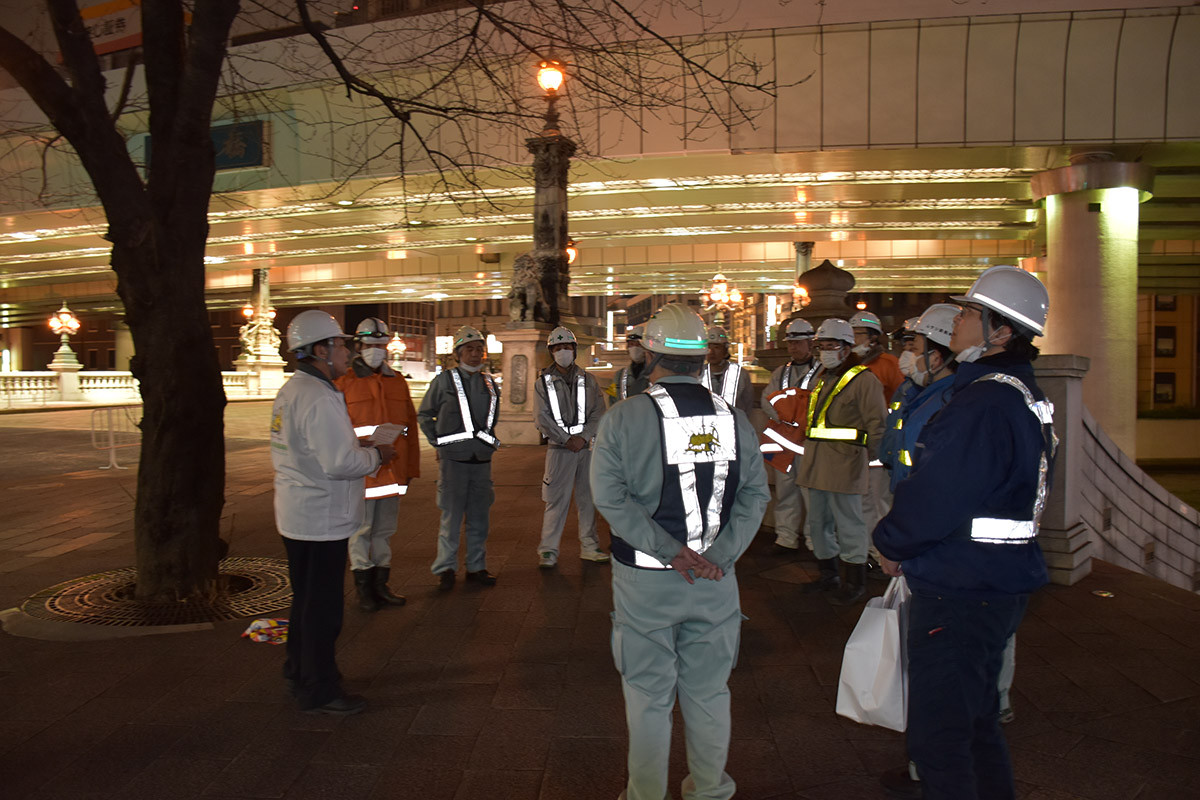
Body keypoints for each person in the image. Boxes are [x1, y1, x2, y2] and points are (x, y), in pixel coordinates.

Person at [874, 265, 1056, 800]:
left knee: (940, 739)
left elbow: (939, 496)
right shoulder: (1017, 393)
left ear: (1001, 332)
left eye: (971, 312)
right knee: (976, 725)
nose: (957, 319)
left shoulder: (983, 403)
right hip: (994, 581)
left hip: (960, 587)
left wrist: (890, 544)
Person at [592, 303, 769, 800]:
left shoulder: (624, 418)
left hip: (645, 583)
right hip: (715, 582)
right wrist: (721, 555)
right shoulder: (735, 420)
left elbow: (610, 498)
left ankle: (646, 795)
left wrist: (668, 551)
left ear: (651, 354)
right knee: (710, 693)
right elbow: (756, 495)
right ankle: (710, 790)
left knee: (648, 699)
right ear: (703, 358)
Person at [271, 310, 395, 715]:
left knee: (304, 602)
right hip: (320, 518)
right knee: (322, 611)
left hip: (298, 514)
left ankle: (299, 670)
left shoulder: (294, 390)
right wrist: (378, 453)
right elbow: (339, 462)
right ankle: (320, 688)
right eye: (340, 344)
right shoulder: (319, 397)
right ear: (320, 350)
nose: (346, 351)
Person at [795, 318, 887, 605]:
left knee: (849, 524)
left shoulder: (864, 380)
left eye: (831, 345)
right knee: (817, 523)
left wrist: (873, 457)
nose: (825, 351)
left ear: (847, 348)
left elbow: (878, 423)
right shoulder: (823, 376)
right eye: (821, 346)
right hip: (817, 462)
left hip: (845, 464)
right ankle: (828, 575)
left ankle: (854, 581)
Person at [335, 317, 421, 612]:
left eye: (381, 345)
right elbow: (336, 430)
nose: (376, 350)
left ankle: (381, 585)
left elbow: (409, 426)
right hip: (361, 471)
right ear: (358, 346)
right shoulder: (344, 383)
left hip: (392, 470)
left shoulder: (397, 381)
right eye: (370, 344)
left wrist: (410, 470)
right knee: (360, 531)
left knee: (384, 531)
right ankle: (363, 590)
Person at [418, 325, 500, 590]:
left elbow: (491, 420)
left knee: (480, 518)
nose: (475, 354)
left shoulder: (490, 383)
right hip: (453, 460)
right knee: (451, 518)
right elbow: (424, 415)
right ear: (458, 353)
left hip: (481, 460)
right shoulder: (443, 381)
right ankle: (446, 569)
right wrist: (438, 443)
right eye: (469, 349)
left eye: (479, 349)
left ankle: (477, 567)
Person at [533, 326, 610, 567]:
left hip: (585, 449)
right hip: (559, 451)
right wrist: (567, 439)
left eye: (567, 347)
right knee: (556, 500)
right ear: (551, 352)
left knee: (587, 500)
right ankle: (548, 550)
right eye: (558, 348)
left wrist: (583, 437)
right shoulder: (542, 383)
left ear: (574, 350)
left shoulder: (589, 380)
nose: (563, 351)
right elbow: (541, 417)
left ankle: (589, 546)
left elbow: (599, 412)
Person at [760, 317, 822, 551]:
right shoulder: (780, 372)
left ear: (810, 343)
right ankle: (785, 538)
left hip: (807, 442)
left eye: (798, 343)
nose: (794, 347)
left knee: (811, 494)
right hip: (785, 442)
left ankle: (814, 541)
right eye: (791, 343)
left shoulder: (821, 372)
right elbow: (768, 399)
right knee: (786, 492)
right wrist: (785, 417)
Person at [699, 325, 754, 415]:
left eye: (717, 347)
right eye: (709, 348)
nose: (711, 352)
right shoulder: (699, 374)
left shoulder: (740, 375)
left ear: (725, 350)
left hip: (734, 425)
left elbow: (747, 404)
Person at [608, 325, 651, 404]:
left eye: (638, 344)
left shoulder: (654, 374)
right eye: (631, 344)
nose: (634, 348)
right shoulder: (619, 375)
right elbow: (612, 398)